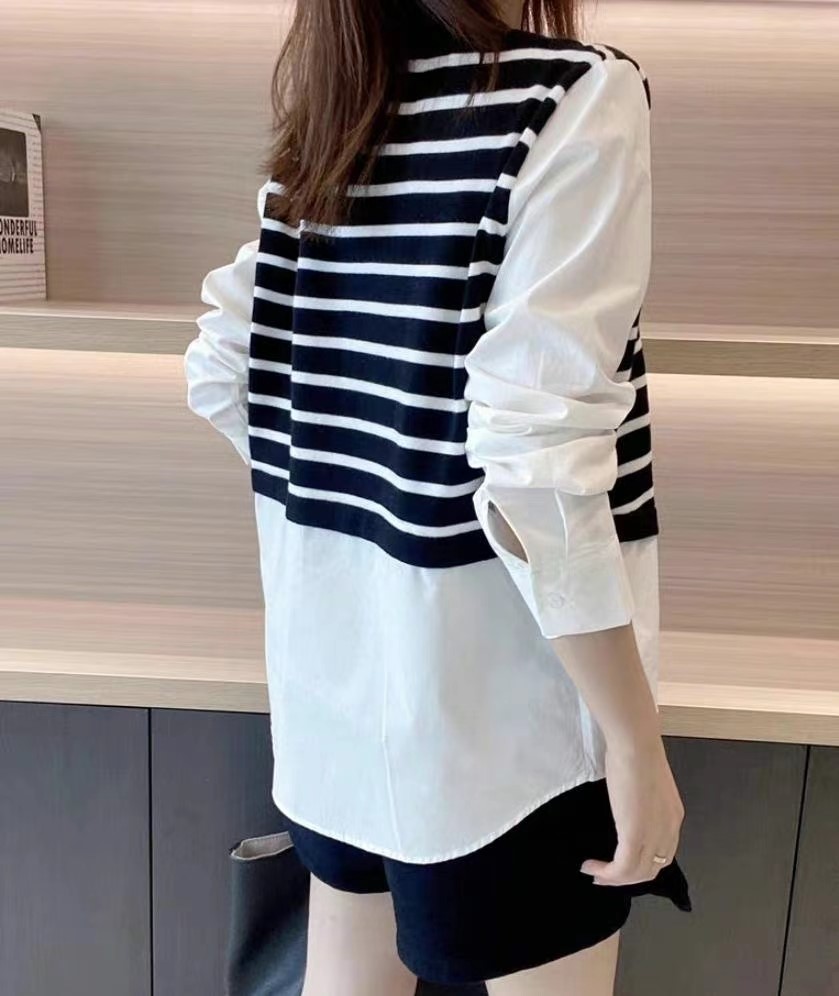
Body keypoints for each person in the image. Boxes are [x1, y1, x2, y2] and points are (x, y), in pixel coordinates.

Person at [183, 1, 693, 992]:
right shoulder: (572, 94)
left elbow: (223, 369)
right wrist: (633, 742)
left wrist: (371, 498)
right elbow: (535, 464)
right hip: (504, 729)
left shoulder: (336, 121)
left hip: (334, 702)